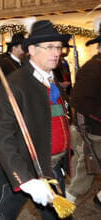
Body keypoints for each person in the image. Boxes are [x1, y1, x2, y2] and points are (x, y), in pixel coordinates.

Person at [0, 20, 71, 219]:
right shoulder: (15, 84)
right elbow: (3, 136)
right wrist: (26, 181)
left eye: (58, 47)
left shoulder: (51, 79)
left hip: (53, 166)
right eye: (49, 47)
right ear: (32, 49)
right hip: (25, 165)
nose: (56, 52)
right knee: (3, 215)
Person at [65, 30, 101, 208]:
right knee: (83, 176)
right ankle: (62, 208)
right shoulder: (92, 68)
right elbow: (78, 101)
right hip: (94, 132)